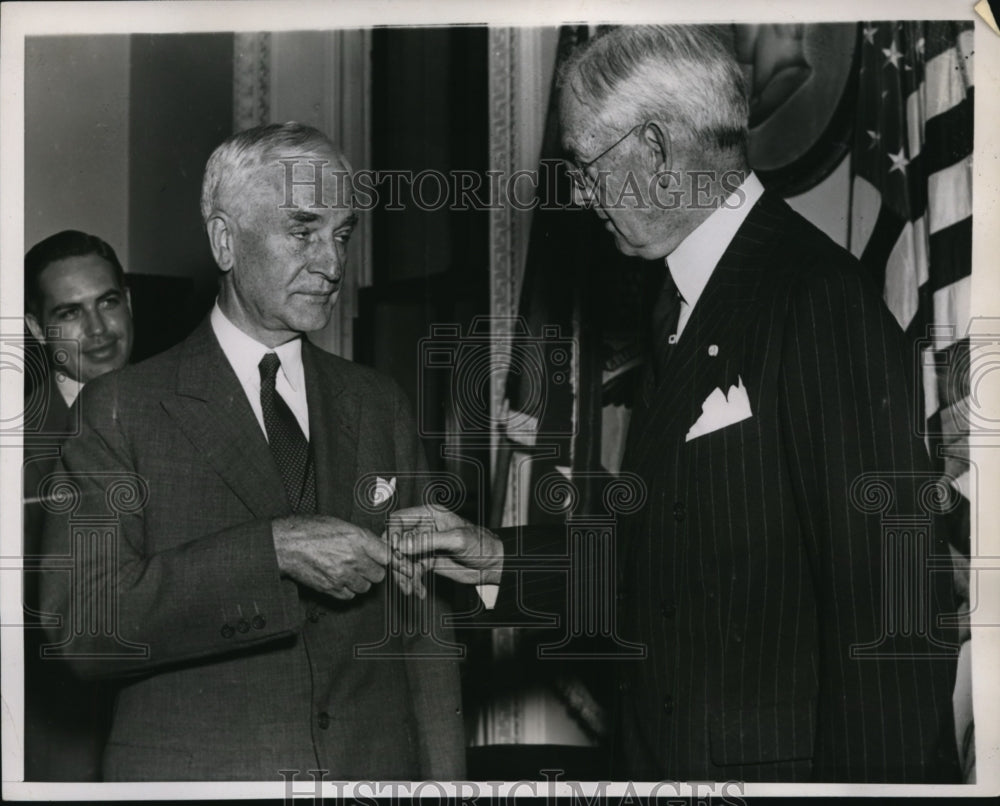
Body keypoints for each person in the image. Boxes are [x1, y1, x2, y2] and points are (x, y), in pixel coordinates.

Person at [392, 25, 959, 783]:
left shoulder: (816, 301)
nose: (582, 195)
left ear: (655, 152)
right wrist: (495, 556)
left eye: (586, 167)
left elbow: (896, 615)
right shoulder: (678, 306)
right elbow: (664, 556)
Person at [39, 123, 464, 781]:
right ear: (225, 240)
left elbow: (424, 637)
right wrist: (271, 553)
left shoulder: (377, 403)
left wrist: (445, 787)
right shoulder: (120, 411)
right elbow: (84, 631)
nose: (331, 263)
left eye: (342, 234)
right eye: (303, 231)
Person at [22, 230, 134, 781]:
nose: (97, 331)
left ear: (129, 303)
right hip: (63, 741)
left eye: (108, 302)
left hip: (179, 733)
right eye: (69, 313)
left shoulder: (191, 414)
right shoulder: (16, 446)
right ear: (37, 329)